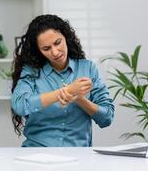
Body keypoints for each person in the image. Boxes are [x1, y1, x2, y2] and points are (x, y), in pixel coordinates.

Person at [11, 14, 114, 147]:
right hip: (37, 153)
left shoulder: (88, 68)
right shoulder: (32, 71)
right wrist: (67, 91)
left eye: (57, 43)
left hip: (79, 157)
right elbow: (19, 105)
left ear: (66, 37)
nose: (55, 52)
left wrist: (79, 99)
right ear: (39, 51)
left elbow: (107, 118)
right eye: (46, 48)